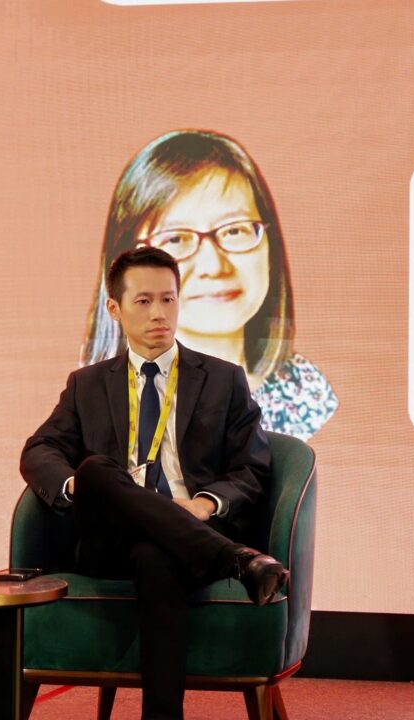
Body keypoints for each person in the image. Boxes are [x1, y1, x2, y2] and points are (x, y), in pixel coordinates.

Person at [22, 246, 290, 720]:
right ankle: (235, 560)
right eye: (144, 301)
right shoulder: (87, 384)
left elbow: (251, 468)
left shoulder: (223, 380)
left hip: (188, 534)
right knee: (94, 470)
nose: (159, 314)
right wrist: (83, 490)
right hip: (109, 540)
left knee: (156, 553)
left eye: (168, 299)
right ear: (114, 308)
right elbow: (39, 450)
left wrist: (205, 505)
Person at [81, 129, 337, 440]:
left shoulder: (307, 392)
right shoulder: (98, 405)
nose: (214, 266)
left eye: (235, 231)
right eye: (176, 239)